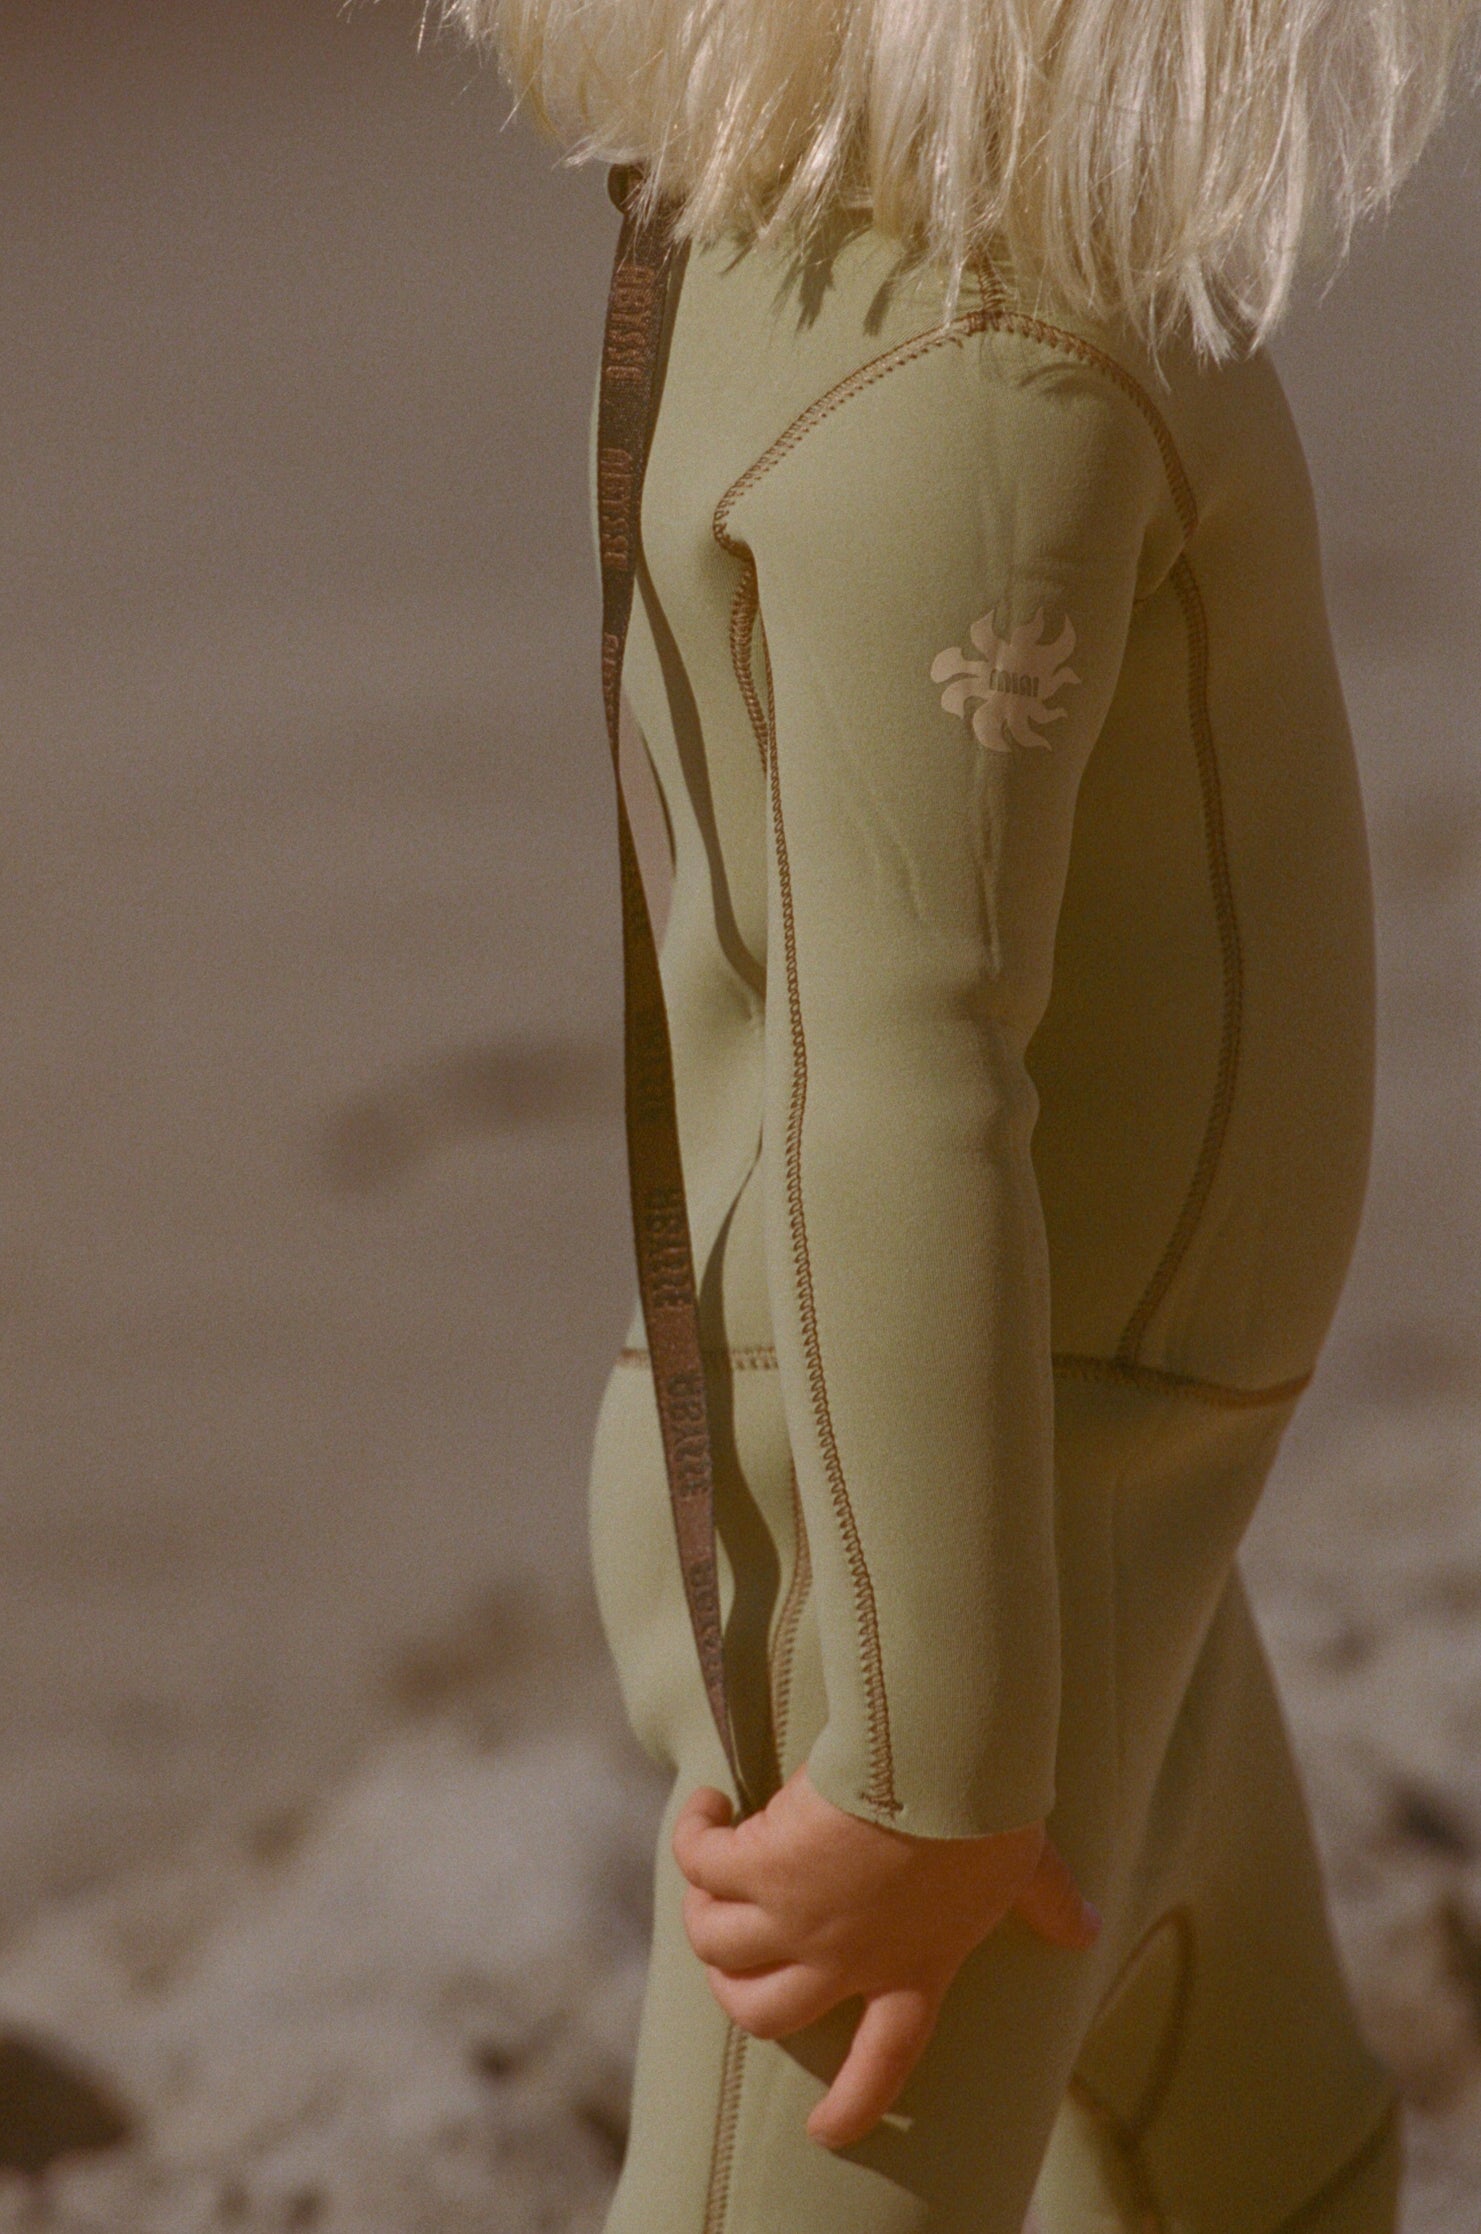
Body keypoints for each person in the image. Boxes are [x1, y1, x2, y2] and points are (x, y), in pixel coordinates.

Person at [449, 2, 1476, 2226]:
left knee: (1272, 2149)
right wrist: (922, 1776)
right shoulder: (972, 386)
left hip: (1117, 1509)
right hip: (942, 1576)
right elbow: (898, 1081)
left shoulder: (906, 267)